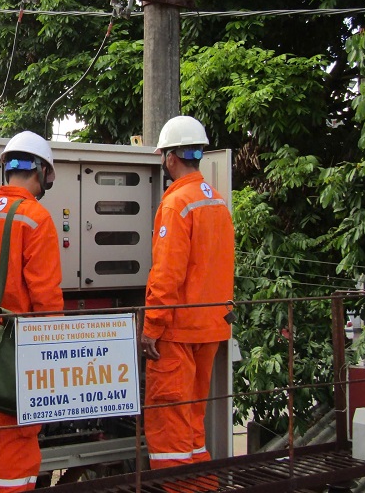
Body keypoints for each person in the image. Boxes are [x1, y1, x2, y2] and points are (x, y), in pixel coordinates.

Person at [0, 131, 64, 493]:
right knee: (16, 438)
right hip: (10, 350)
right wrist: (54, 352)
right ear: (42, 172)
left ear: (6, 168)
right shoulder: (37, 218)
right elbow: (46, 296)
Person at [141, 115, 235, 471]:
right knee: (194, 427)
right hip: (209, 329)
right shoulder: (217, 202)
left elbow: (166, 275)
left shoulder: (176, 203)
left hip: (177, 334)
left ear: (170, 157)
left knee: (171, 433)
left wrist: (152, 327)